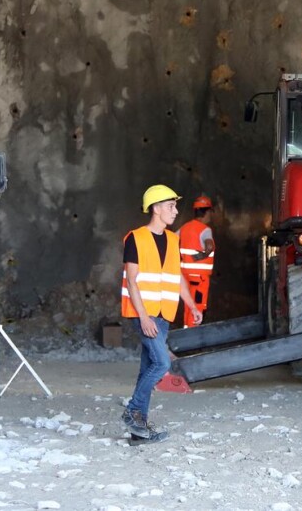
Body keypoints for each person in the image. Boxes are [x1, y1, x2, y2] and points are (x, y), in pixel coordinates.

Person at [120, 184, 201, 440]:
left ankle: (139, 432)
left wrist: (191, 305)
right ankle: (132, 412)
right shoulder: (135, 238)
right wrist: (144, 318)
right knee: (162, 363)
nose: (175, 211)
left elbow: (176, 277)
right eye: (170, 206)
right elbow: (132, 281)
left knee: (148, 367)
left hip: (165, 313)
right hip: (144, 312)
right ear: (156, 208)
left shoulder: (173, 239)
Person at [176, 195, 217, 327]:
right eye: (210, 212)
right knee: (198, 308)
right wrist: (201, 255)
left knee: (189, 306)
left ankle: (186, 332)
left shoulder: (184, 228)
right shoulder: (205, 230)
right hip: (199, 279)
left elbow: (171, 241)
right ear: (207, 212)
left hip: (185, 276)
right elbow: (209, 246)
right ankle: (193, 335)